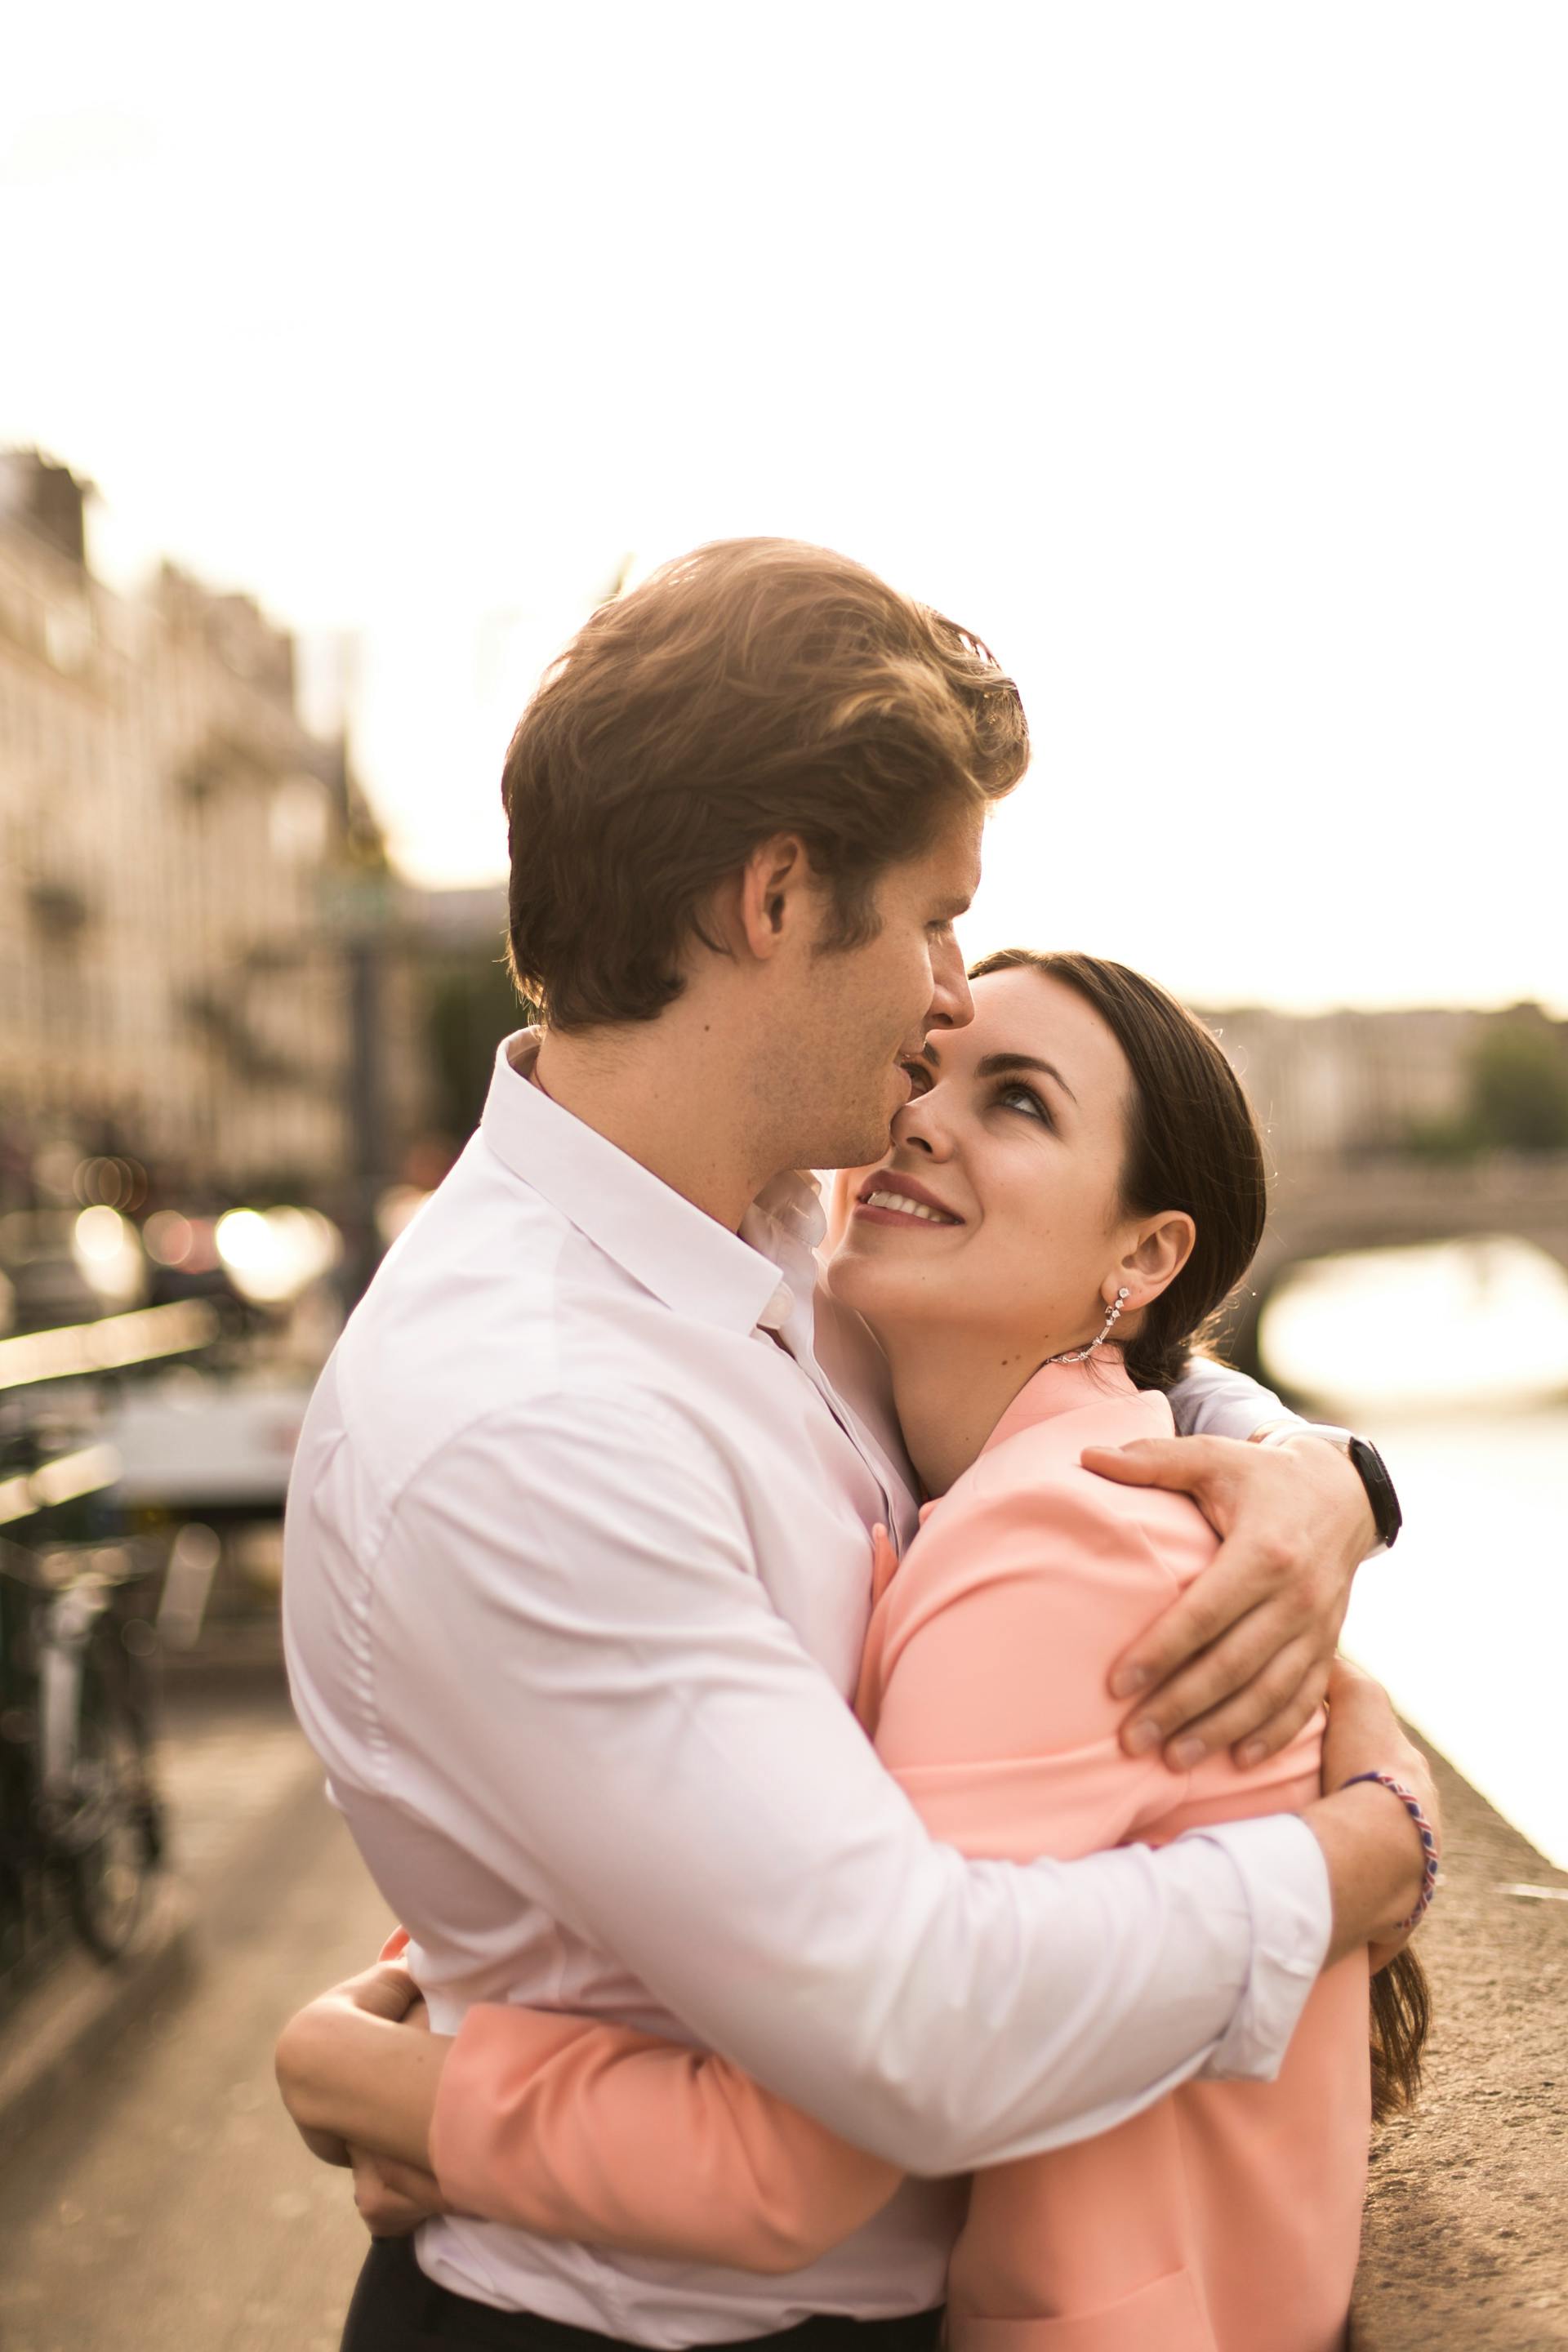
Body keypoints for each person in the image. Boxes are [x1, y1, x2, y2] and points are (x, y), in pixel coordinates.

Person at [279, 541, 1433, 2352]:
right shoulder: (532, 1420)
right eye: (935, 917)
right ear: (774, 896)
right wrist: (1351, 1867)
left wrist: (1321, 1482)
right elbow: (916, 2032)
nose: (956, 990)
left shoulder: (792, 1229)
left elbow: (1099, 1371)